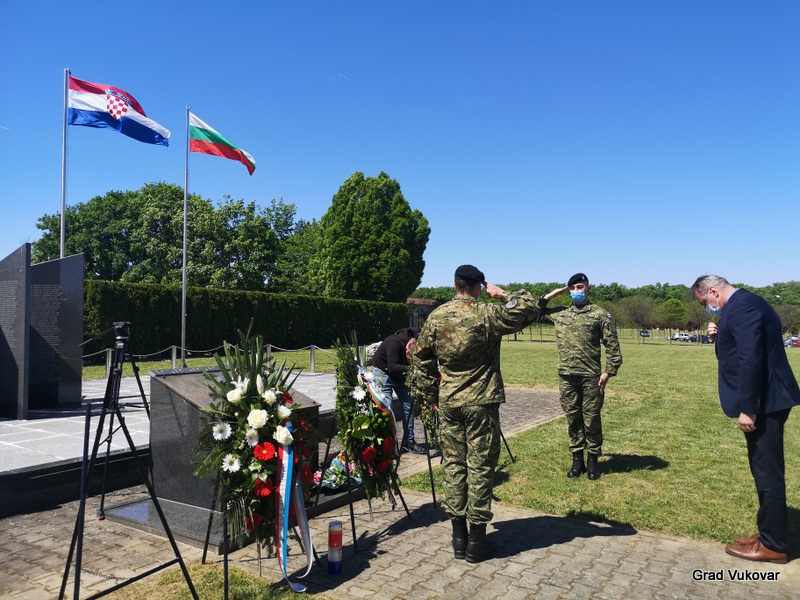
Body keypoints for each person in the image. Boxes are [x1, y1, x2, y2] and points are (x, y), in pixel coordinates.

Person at [409, 265, 541, 563]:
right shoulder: (488, 313)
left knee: (453, 464)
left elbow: (421, 358)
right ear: (478, 286)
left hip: (449, 403)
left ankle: (459, 538)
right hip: (481, 402)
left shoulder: (437, 316)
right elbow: (530, 309)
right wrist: (502, 293)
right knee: (480, 466)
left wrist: (432, 396)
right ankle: (477, 542)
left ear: (455, 284)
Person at [692, 275, 800, 564]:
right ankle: (767, 533)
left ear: (712, 291)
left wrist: (749, 408)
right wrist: (719, 336)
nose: (707, 308)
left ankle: (774, 546)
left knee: (767, 473)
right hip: (769, 399)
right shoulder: (745, 303)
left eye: (704, 302)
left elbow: (751, 360)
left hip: (765, 403)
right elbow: (744, 346)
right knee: (761, 468)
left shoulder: (741, 307)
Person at [536, 273, 622, 480]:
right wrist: (549, 296)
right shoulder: (560, 314)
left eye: (580, 287)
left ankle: (593, 461)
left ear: (588, 288)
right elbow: (534, 313)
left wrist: (608, 372)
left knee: (591, 419)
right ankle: (577, 461)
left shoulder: (600, 315)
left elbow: (613, 346)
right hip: (567, 376)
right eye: (573, 288)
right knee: (573, 418)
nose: (576, 291)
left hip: (591, 377)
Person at [372, 327, 425, 454]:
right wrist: (412, 368)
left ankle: (409, 442)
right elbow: (392, 367)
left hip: (400, 374)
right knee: (387, 408)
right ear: (407, 349)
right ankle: (389, 445)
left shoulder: (415, 343)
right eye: (409, 357)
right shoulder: (394, 343)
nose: (409, 359)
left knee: (408, 405)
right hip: (383, 372)